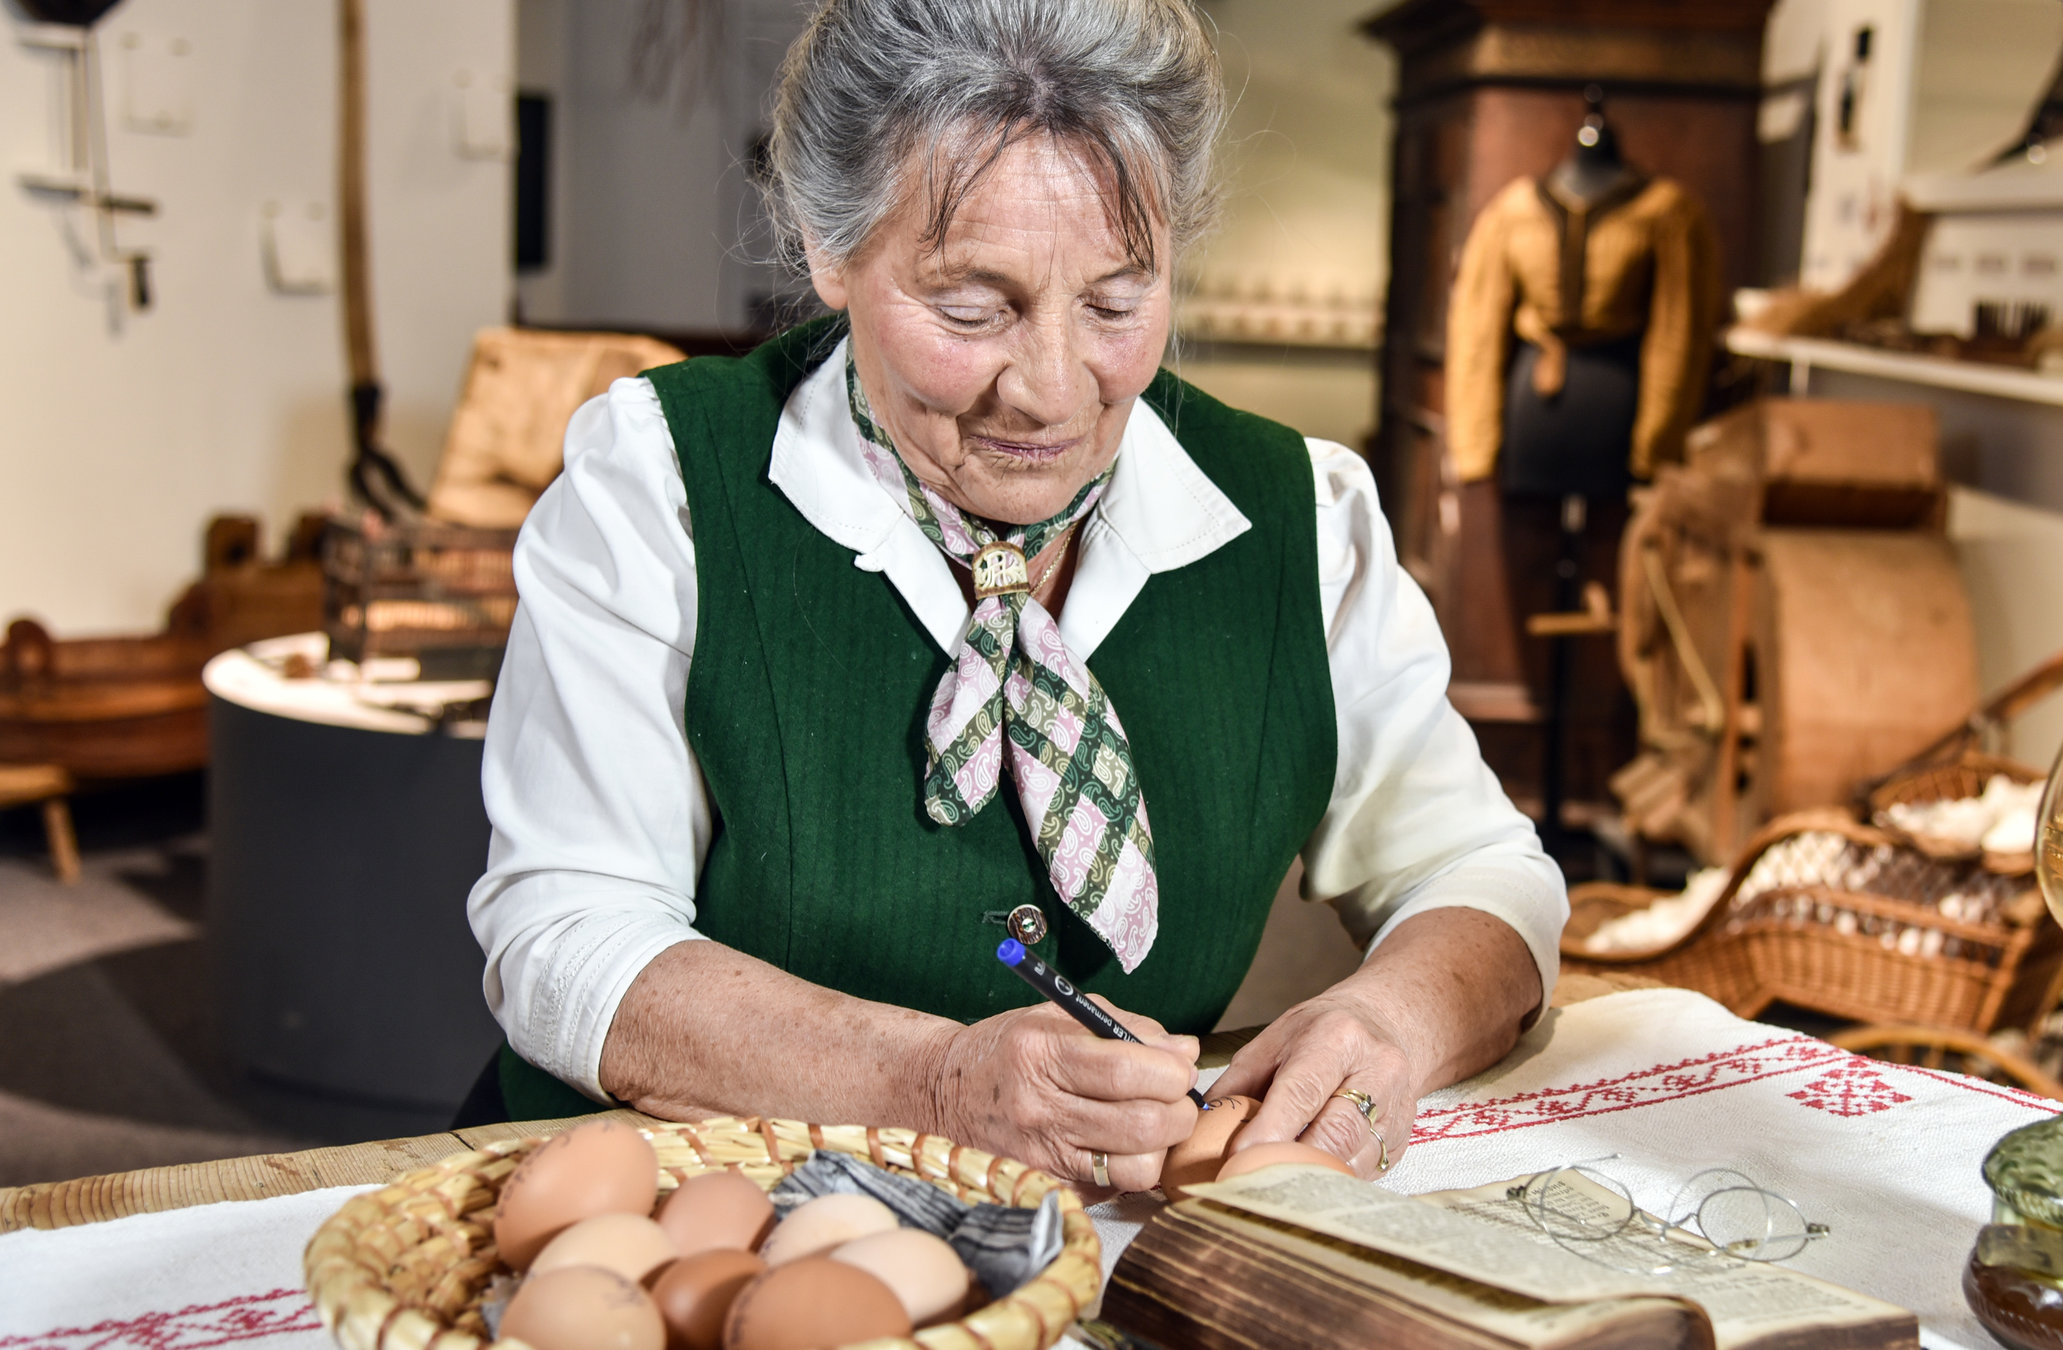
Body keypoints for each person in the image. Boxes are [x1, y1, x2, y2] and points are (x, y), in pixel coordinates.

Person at [467, 0, 1566, 1197]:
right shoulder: (664, 483)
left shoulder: (1302, 519)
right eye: (971, 307)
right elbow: (565, 938)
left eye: (1116, 300)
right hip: (683, 1210)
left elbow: (1480, 871)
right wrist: (929, 1083)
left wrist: (1391, 1022)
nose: (1049, 393)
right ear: (828, 249)